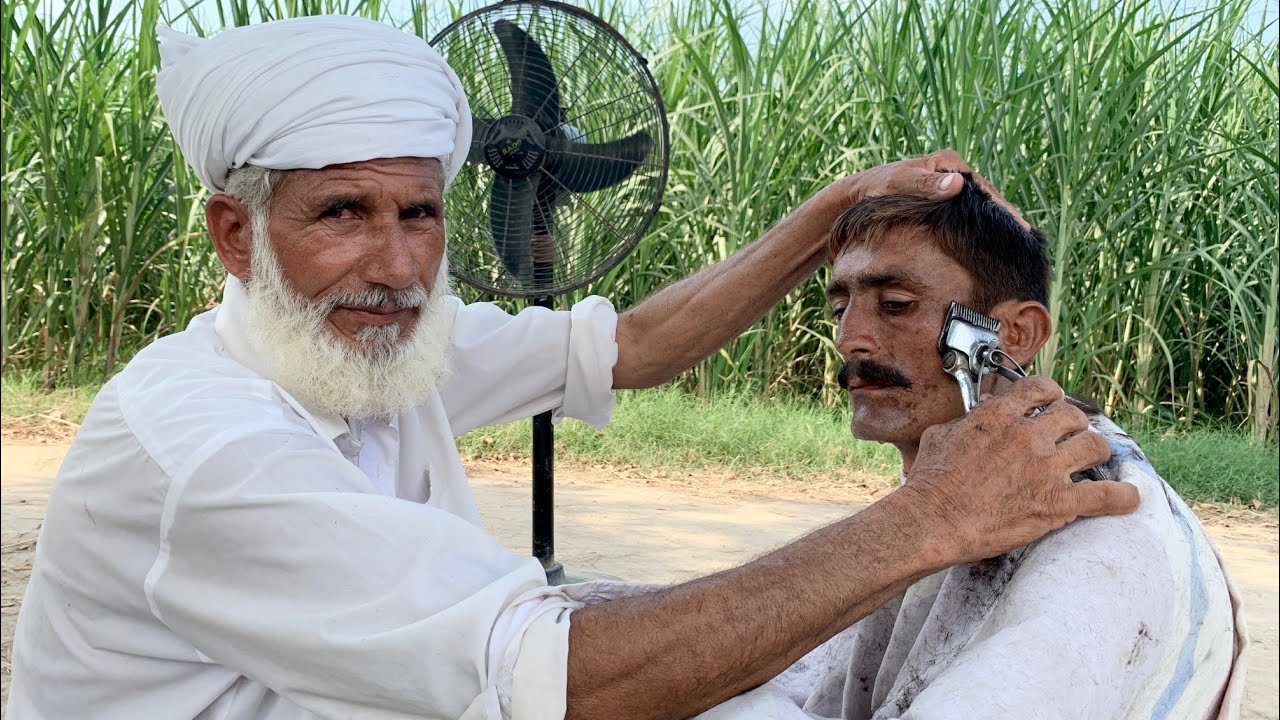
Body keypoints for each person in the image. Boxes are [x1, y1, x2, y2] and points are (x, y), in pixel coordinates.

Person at [6, 16, 1137, 720]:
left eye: (420, 212)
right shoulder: (208, 449)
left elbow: (628, 346)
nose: (395, 264)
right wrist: (932, 521)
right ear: (235, 235)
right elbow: (557, 684)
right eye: (340, 213)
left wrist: (831, 211)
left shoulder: (384, 347)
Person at [762, 177, 1246, 719]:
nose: (849, 338)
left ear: (1013, 335)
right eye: (839, 309)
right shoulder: (949, 488)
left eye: (895, 304)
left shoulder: (1101, 544)